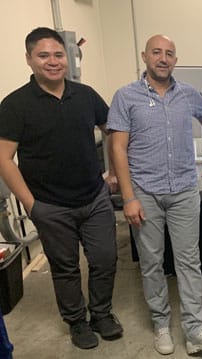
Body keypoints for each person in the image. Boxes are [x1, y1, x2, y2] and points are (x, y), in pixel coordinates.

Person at [0, 27, 123, 350]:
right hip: (50, 205)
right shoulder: (15, 105)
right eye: (43, 56)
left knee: (105, 258)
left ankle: (101, 313)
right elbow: (3, 159)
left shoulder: (85, 95)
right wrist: (31, 204)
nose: (52, 62)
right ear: (29, 60)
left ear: (66, 58)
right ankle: (77, 321)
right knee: (65, 268)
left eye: (58, 55)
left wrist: (111, 173)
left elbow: (114, 132)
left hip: (94, 197)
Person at [107, 34, 202, 355]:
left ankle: (194, 331)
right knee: (151, 262)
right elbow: (117, 146)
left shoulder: (188, 94)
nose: (163, 58)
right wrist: (129, 197)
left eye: (170, 53)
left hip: (184, 190)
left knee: (189, 261)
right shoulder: (126, 96)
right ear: (144, 56)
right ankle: (161, 324)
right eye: (157, 52)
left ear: (176, 59)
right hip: (144, 193)